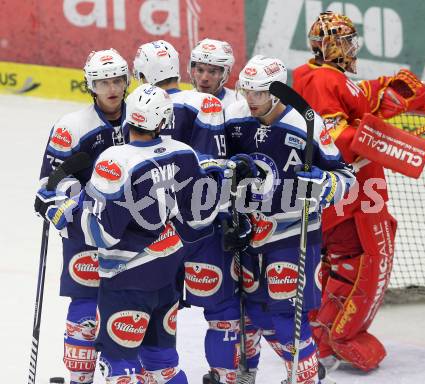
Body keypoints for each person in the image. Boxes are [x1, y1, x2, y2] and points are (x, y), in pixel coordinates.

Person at [35, 83, 243, 383]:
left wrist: (58, 212)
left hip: (125, 282)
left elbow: (102, 232)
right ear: (162, 120)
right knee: (163, 365)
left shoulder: (114, 160)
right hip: (166, 279)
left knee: (119, 366)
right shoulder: (184, 153)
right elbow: (200, 218)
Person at [224, 54, 356, 383]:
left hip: (291, 233)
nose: (250, 100)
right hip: (248, 233)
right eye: (246, 91)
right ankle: (261, 372)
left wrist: (324, 186)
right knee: (250, 313)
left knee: (285, 315)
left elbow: (346, 178)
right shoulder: (236, 118)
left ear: (277, 94)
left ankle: (304, 377)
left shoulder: (305, 125)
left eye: (258, 93)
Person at [133, 40, 258, 384]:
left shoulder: (141, 107)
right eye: (199, 69)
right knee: (223, 309)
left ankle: (160, 375)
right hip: (206, 225)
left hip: (161, 229)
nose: (204, 76)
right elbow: (218, 169)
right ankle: (229, 375)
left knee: (157, 309)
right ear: (184, 69)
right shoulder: (206, 104)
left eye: (212, 70)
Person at [292, 11, 400, 372]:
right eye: (346, 41)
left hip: (351, 191)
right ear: (330, 45)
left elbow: (356, 103)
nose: (352, 47)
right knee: (349, 261)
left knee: (342, 261)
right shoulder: (322, 80)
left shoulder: (328, 76)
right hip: (344, 193)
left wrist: (389, 90)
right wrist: (379, 137)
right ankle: (329, 335)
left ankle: (320, 333)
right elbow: (336, 139)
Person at [37, 48, 129, 384]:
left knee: (130, 306)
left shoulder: (145, 117)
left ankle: (125, 374)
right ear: (90, 85)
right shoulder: (71, 127)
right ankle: (81, 378)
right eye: (103, 81)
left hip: (135, 234)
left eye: (117, 79)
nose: (111, 88)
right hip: (86, 233)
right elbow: (48, 186)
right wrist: (65, 204)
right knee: (86, 306)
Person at [189, 38, 244, 108]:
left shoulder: (239, 104)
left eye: (212, 72)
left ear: (225, 74)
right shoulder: (183, 102)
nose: (204, 78)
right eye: (200, 70)